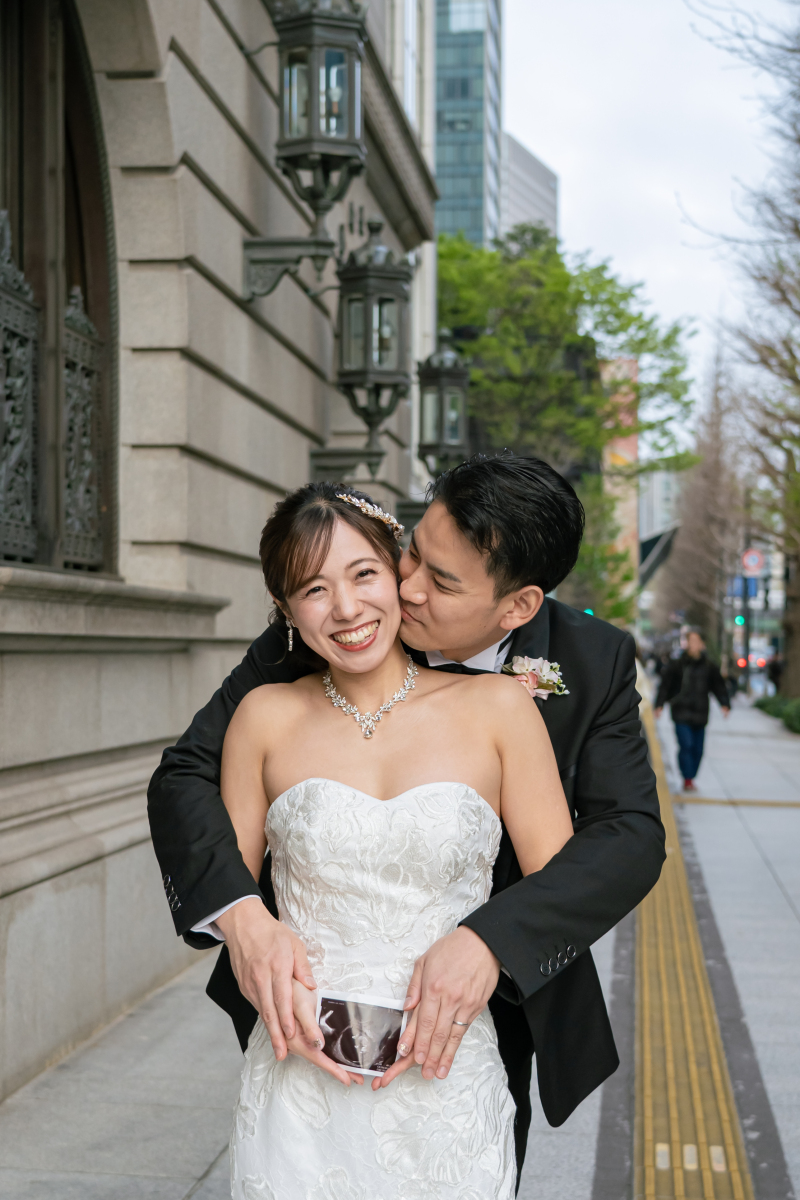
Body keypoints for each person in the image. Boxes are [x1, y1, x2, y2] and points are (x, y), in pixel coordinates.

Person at [147, 453, 664, 1180]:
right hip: (307, 1038)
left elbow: (629, 837)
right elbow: (187, 774)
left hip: (483, 1011)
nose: (405, 588)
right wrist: (241, 917)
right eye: (413, 551)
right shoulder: (323, 631)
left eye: (441, 580)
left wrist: (490, 942)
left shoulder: (585, 663)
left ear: (517, 607)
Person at [223, 483, 575, 1198]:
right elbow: (232, 899)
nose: (347, 609)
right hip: (300, 1088)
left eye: (363, 574)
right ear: (287, 611)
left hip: (449, 1081)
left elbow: (563, 889)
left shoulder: (500, 708)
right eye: (313, 589)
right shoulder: (261, 718)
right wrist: (254, 954)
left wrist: (489, 947)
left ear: (398, 575)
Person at [654, 629, 730, 792]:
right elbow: (665, 686)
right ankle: (687, 778)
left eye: (697, 641)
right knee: (685, 744)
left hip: (701, 713)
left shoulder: (710, 666)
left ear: (702, 644)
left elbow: (718, 687)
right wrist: (659, 704)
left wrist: (725, 704)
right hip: (680, 711)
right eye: (690, 640)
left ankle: (691, 775)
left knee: (698, 748)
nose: (693, 644)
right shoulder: (677, 664)